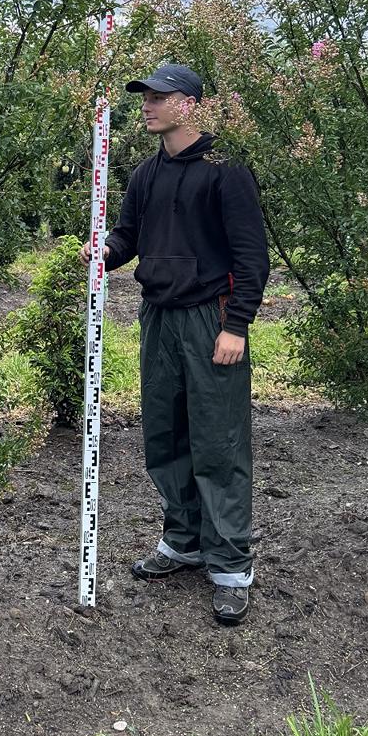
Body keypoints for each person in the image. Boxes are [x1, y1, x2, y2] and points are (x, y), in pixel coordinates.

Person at [81, 62, 269, 624]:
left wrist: (236, 325)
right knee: (164, 434)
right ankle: (183, 540)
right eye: (145, 98)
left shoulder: (225, 171)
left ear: (188, 104)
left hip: (211, 321)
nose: (147, 106)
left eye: (158, 98)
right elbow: (131, 236)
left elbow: (250, 255)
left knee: (218, 441)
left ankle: (231, 565)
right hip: (158, 319)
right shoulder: (145, 175)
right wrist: (106, 252)